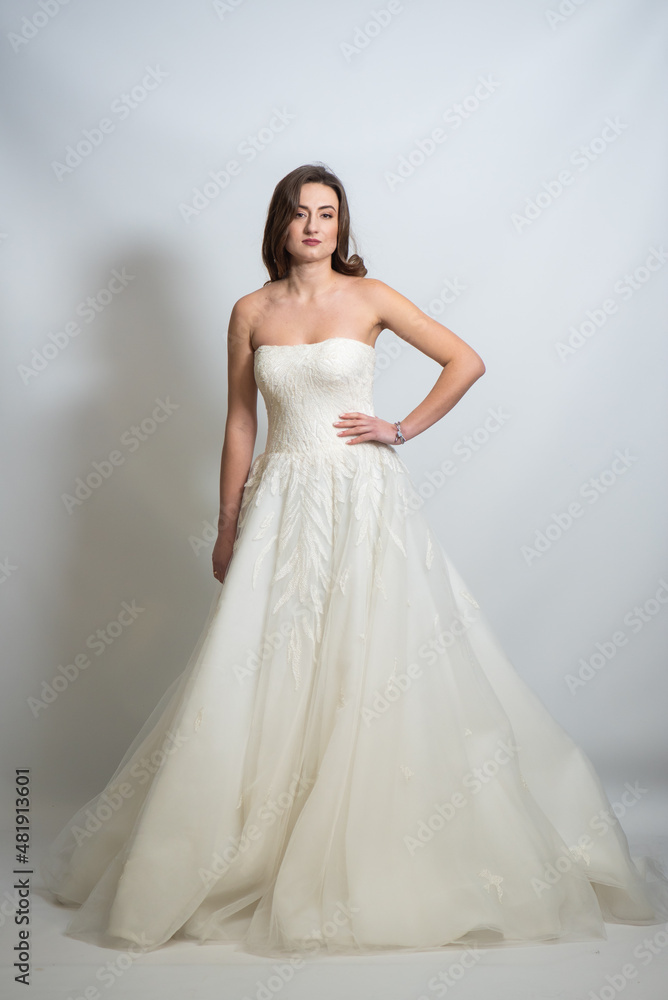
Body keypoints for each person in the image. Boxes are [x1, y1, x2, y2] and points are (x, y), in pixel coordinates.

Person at [42, 163, 668, 959]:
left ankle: (375, 852)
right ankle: (259, 843)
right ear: (279, 224)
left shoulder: (371, 297)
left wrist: (399, 428)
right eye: (300, 213)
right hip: (281, 501)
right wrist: (227, 524)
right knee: (265, 661)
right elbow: (240, 423)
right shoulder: (250, 311)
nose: (314, 226)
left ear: (341, 226)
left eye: (328, 213)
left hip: (364, 500)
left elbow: (465, 360)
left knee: (374, 659)